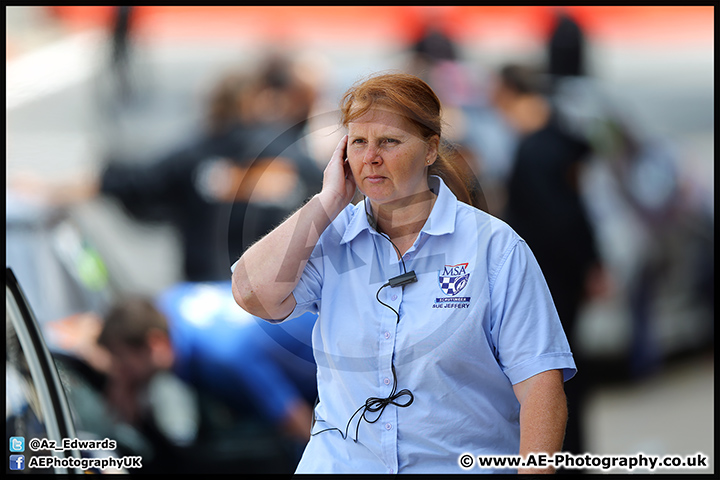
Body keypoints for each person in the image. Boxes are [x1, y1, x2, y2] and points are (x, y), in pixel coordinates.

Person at [231, 72, 576, 474]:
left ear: (431, 149)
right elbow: (251, 295)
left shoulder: (495, 248)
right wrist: (326, 202)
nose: (370, 157)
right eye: (359, 142)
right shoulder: (329, 235)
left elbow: (540, 385)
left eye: (389, 141)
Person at [490, 63, 611, 467]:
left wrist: (588, 263)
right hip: (563, 273)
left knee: (553, 372)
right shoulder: (557, 137)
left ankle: (562, 456)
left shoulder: (537, 148)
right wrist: (592, 261)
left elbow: (562, 215)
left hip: (550, 276)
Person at [95, 287, 318, 456]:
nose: (120, 372)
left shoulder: (225, 358)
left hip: (325, 368)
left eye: (124, 363)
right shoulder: (171, 299)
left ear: (155, 344)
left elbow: (296, 421)